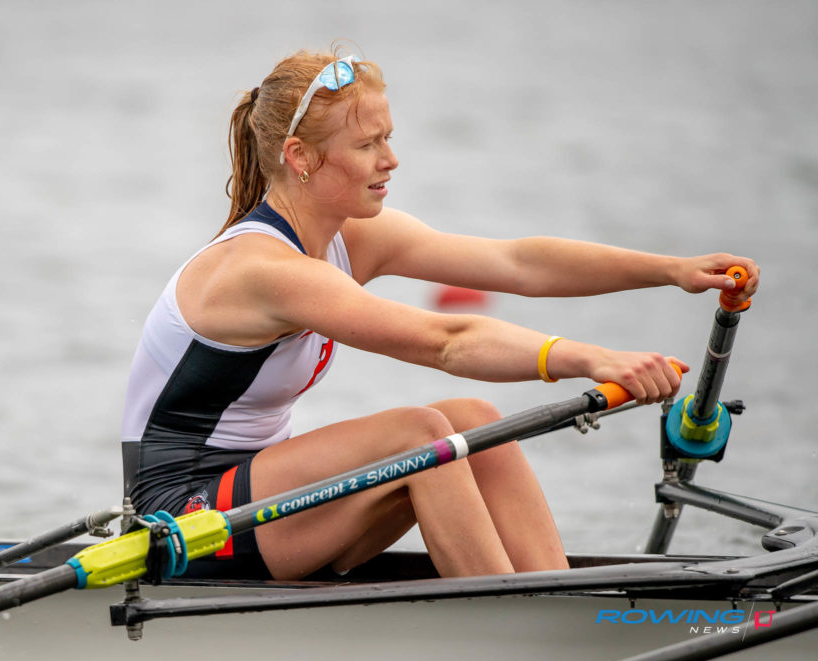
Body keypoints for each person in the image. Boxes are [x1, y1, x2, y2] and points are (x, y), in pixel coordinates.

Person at [121, 49, 759, 581]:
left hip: (258, 503)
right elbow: (446, 340)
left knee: (475, 422)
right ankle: (507, 628)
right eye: (367, 144)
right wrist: (591, 359)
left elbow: (518, 264)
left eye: (388, 138)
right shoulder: (264, 269)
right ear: (300, 157)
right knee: (422, 435)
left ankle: (554, 600)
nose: (390, 159)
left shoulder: (351, 238)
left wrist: (671, 269)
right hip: (183, 521)